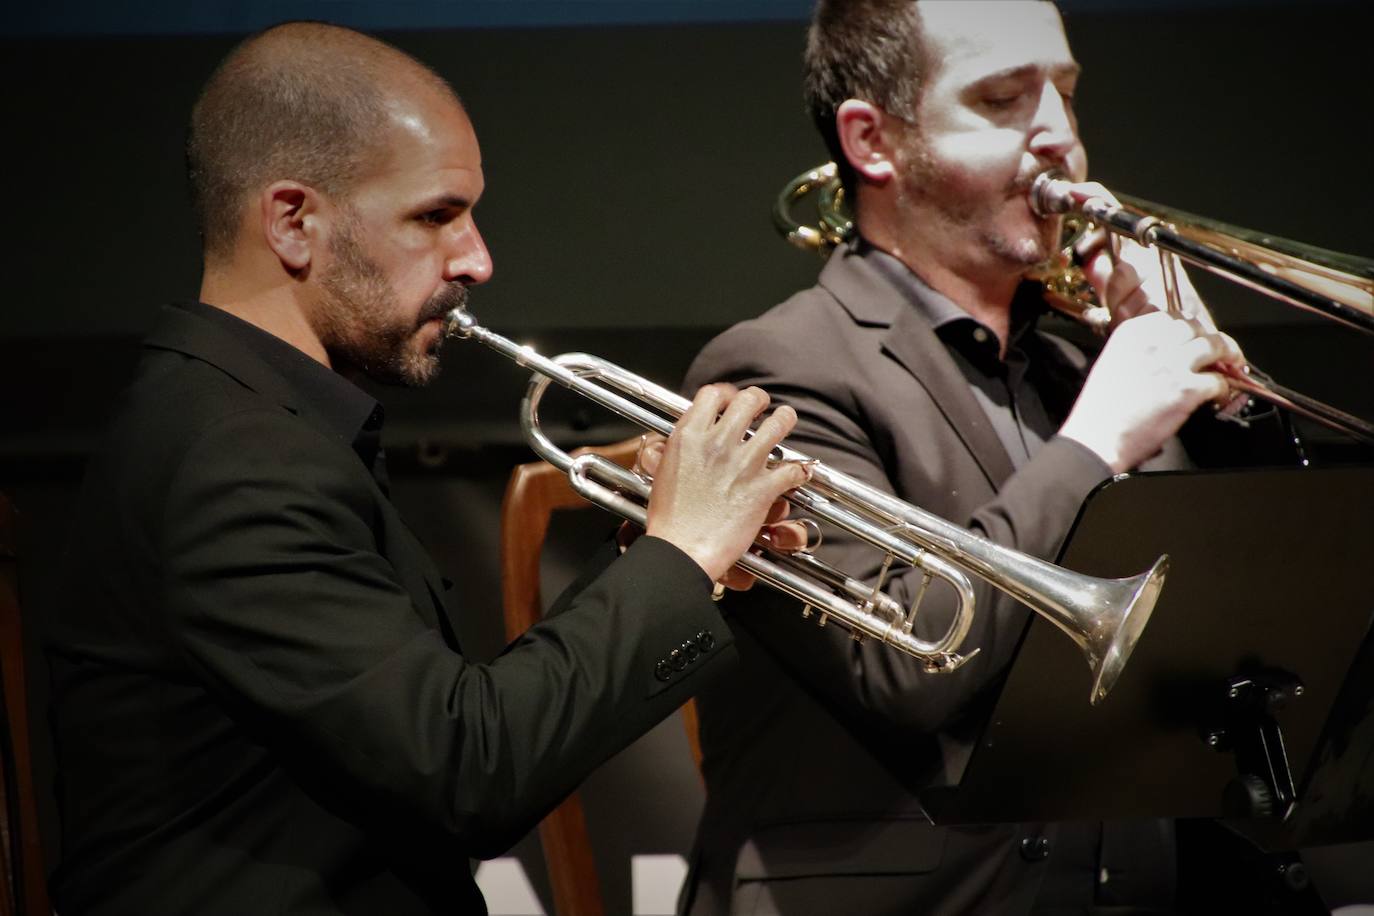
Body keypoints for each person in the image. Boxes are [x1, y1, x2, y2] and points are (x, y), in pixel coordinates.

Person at [43, 21, 810, 916]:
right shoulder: (232, 457)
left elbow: (446, 731)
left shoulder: (253, 423)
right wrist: (678, 557)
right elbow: (468, 768)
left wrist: (666, 558)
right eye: (435, 216)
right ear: (295, 222)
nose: (477, 259)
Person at [677, 2, 1295, 914]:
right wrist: (1094, 443)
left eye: (1066, 95)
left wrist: (1225, 402)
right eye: (1005, 98)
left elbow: (1278, 619)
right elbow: (902, 665)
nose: (1059, 137)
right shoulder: (775, 371)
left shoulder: (1083, 363)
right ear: (872, 141)